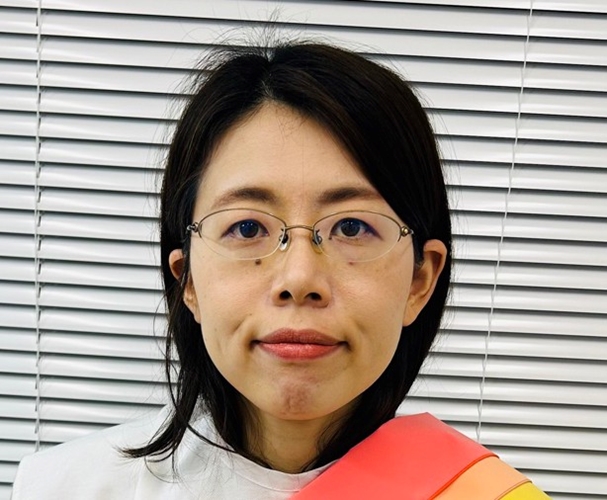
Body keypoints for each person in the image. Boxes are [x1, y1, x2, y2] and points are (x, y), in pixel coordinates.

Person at [11, 41, 550, 499]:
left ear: (419, 280)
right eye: (247, 227)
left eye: (352, 227)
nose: (298, 279)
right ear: (187, 279)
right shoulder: (62, 488)